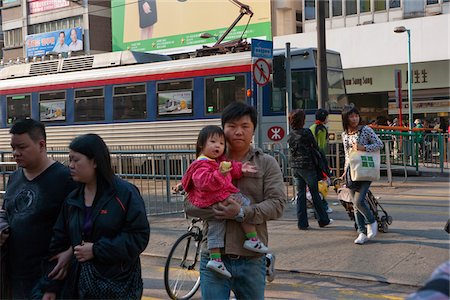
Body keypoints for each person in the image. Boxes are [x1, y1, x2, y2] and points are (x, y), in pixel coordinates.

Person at [185, 102, 286, 299]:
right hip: (214, 258)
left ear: (253, 129)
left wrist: (240, 213)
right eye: (232, 126)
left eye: (245, 126)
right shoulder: (206, 163)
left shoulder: (266, 163)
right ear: (223, 129)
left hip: (251, 261)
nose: (238, 132)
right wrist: (220, 210)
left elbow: (278, 204)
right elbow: (189, 205)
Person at [37, 134, 150, 299]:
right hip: (78, 287)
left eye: (76, 160)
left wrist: (96, 250)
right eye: (70, 160)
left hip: (117, 286)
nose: (71, 165)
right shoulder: (72, 199)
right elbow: (59, 242)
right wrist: (51, 287)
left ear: (95, 161)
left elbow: (139, 237)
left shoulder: (125, 194)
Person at [0, 118, 76, 299]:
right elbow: (6, 212)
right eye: (13, 147)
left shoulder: (65, 179)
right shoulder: (14, 177)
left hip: (46, 279)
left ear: (41, 144)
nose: (15, 153)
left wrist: (71, 252)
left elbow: (80, 226)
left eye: (22, 147)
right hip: (13, 276)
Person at [182, 125, 266, 278]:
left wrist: (241, 169)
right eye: (213, 142)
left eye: (221, 143)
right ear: (201, 144)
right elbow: (204, 182)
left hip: (215, 198)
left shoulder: (214, 161)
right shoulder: (201, 164)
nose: (218, 146)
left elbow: (230, 168)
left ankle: (215, 259)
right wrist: (219, 174)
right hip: (217, 197)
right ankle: (252, 238)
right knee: (244, 205)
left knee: (216, 226)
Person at [341, 105, 383, 245]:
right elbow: (347, 154)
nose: (355, 118)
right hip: (351, 171)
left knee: (359, 201)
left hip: (365, 169)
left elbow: (379, 144)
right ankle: (361, 232)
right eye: (351, 116)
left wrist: (364, 148)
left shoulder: (366, 130)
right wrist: (344, 170)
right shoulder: (344, 134)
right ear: (346, 118)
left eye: (356, 115)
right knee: (354, 204)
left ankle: (371, 221)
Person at [288, 109, 333, 230]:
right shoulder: (306, 132)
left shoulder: (290, 134)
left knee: (301, 194)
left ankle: (302, 223)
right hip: (308, 167)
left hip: (296, 168)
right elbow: (315, 146)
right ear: (302, 120)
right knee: (315, 194)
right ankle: (323, 220)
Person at [309, 108, 332, 213]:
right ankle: (324, 206)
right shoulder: (321, 129)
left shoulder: (312, 127)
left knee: (313, 184)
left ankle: (315, 205)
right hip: (319, 159)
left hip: (311, 158)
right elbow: (321, 146)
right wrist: (324, 162)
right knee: (322, 183)